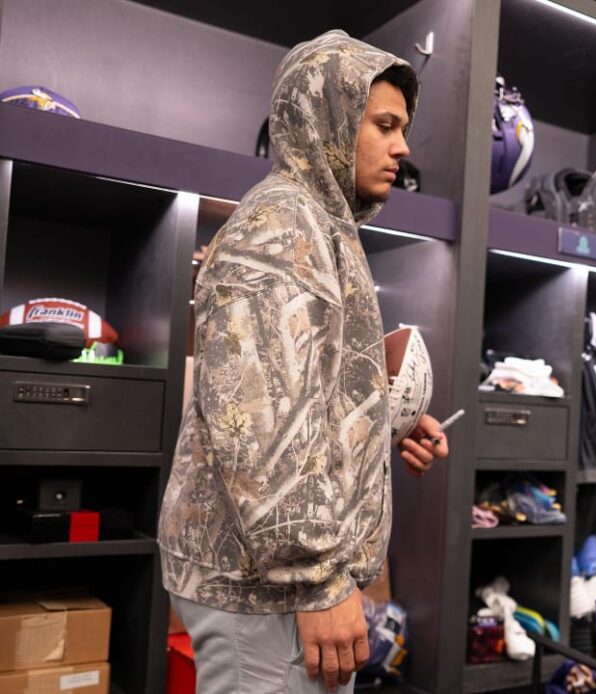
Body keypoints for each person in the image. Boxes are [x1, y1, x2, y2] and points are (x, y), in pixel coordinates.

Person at [158, 30, 448, 693]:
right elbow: (259, 423)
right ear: (330, 118)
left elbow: (301, 391)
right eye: (385, 125)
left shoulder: (319, 224)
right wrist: (316, 579)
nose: (402, 148)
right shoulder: (282, 226)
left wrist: (384, 424)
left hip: (278, 582)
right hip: (269, 590)